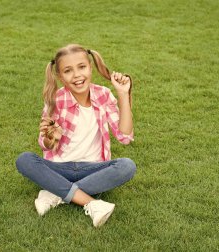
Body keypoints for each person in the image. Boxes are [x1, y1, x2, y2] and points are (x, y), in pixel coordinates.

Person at [16, 44, 136, 228]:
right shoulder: (56, 99)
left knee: (126, 166)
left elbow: (125, 137)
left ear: (90, 67)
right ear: (60, 76)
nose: (77, 75)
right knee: (25, 160)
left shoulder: (103, 95)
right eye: (68, 71)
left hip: (93, 168)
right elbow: (44, 144)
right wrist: (50, 137)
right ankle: (91, 203)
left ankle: (56, 192)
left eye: (82, 67)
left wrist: (122, 94)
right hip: (59, 167)